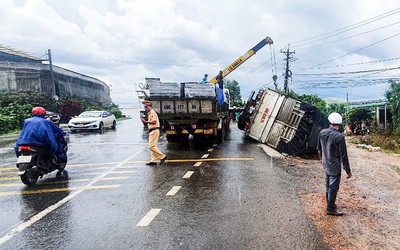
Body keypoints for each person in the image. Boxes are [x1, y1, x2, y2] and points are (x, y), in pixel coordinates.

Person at [317, 112, 352, 216]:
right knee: (333, 187)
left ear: (330, 121)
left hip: (326, 164)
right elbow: (343, 156)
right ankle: (331, 208)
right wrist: (348, 171)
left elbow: (319, 149)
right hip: (334, 167)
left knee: (328, 185)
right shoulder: (339, 137)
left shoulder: (322, 132)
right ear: (339, 124)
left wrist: (321, 159)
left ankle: (329, 203)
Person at [140, 101, 167, 165]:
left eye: (146, 107)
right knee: (153, 146)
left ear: (149, 106)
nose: (145, 108)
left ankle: (162, 156)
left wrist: (145, 121)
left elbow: (154, 122)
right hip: (153, 130)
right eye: (145, 107)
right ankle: (153, 160)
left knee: (151, 146)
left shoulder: (152, 112)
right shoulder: (150, 113)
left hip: (154, 130)